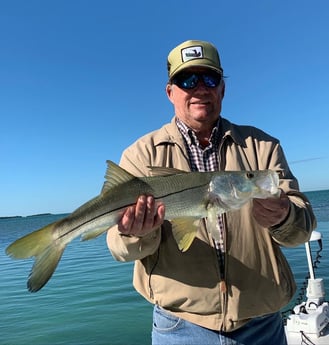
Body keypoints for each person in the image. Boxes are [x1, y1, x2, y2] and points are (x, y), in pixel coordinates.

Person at [106, 40, 316, 345]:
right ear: (170, 92)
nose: (200, 88)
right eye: (187, 80)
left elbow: (302, 231)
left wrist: (285, 216)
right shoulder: (140, 156)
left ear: (222, 89)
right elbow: (117, 247)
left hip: (262, 325)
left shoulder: (264, 147)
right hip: (179, 327)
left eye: (210, 78)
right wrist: (135, 234)